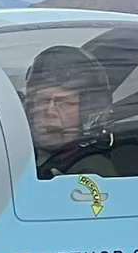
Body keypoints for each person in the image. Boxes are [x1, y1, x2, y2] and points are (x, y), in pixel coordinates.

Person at [24, 46, 116, 177]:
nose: (50, 111)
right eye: (41, 100)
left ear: (86, 113)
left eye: (64, 102)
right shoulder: (14, 158)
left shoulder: (92, 171)